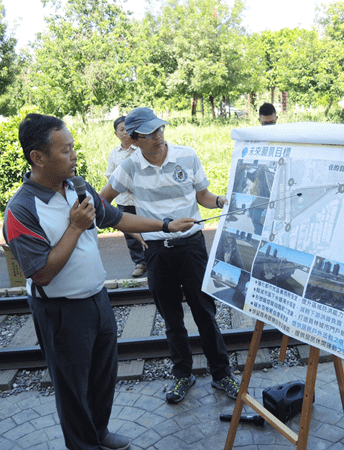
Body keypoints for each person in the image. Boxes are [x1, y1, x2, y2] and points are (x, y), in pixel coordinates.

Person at [2, 113, 195, 450]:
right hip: (60, 310)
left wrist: (164, 225)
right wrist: (75, 227)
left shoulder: (78, 187)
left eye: (73, 148)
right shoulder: (21, 210)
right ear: (38, 157)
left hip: (96, 299)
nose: (74, 155)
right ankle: (84, 444)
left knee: (103, 376)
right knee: (72, 388)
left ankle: (99, 433)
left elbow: (116, 216)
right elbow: (41, 272)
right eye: (66, 151)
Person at [100, 107, 240, 404]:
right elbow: (103, 203)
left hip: (191, 247)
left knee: (205, 313)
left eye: (160, 129)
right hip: (157, 253)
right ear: (134, 139)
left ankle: (222, 374)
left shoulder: (186, 156)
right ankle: (182, 375)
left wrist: (220, 201)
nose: (159, 136)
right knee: (172, 319)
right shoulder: (128, 168)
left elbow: (203, 196)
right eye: (150, 133)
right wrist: (133, 229)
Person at [105, 116, 146, 278]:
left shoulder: (141, 151)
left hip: (142, 200)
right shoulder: (114, 154)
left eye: (127, 129)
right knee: (130, 233)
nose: (125, 133)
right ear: (116, 133)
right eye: (121, 130)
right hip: (123, 200)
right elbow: (110, 175)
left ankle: (152, 259)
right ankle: (139, 263)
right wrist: (122, 184)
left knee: (148, 229)